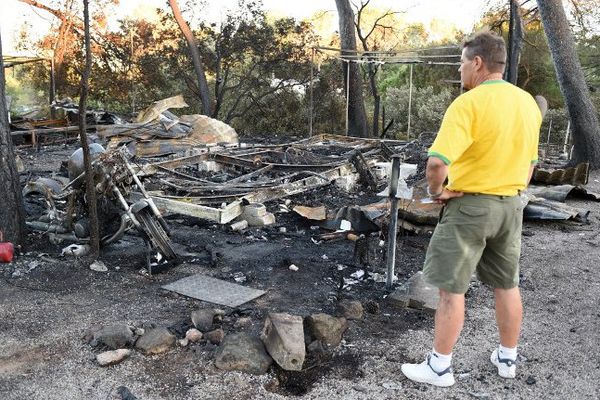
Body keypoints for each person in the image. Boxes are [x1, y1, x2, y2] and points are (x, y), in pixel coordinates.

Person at [400, 31, 542, 387]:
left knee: (452, 289)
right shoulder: (526, 102)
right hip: (511, 206)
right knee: (507, 285)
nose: (461, 70)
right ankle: (507, 358)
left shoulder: (468, 103)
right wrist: (510, 190)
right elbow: (530, 165)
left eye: (462, 62)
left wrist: (438, 192)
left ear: (477, 63)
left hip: (470, 207)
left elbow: (436, 163)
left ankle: (439, 368)